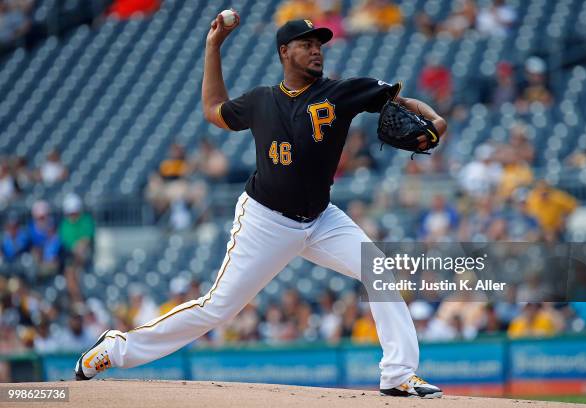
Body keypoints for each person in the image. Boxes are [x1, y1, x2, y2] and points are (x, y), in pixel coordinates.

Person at [75, 14, 447, 399]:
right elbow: (213, 109)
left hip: (321, 219)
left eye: (319, 43)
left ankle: (398, 374)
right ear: (284, 52)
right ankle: (116, 348)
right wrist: (213, 46)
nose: (316, 50)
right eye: (306, 43)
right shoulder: (260, 101)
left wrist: (435, 120)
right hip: (265, 221)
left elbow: (400, 101)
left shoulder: (342, 92)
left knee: (379, 269)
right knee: (216, 309)